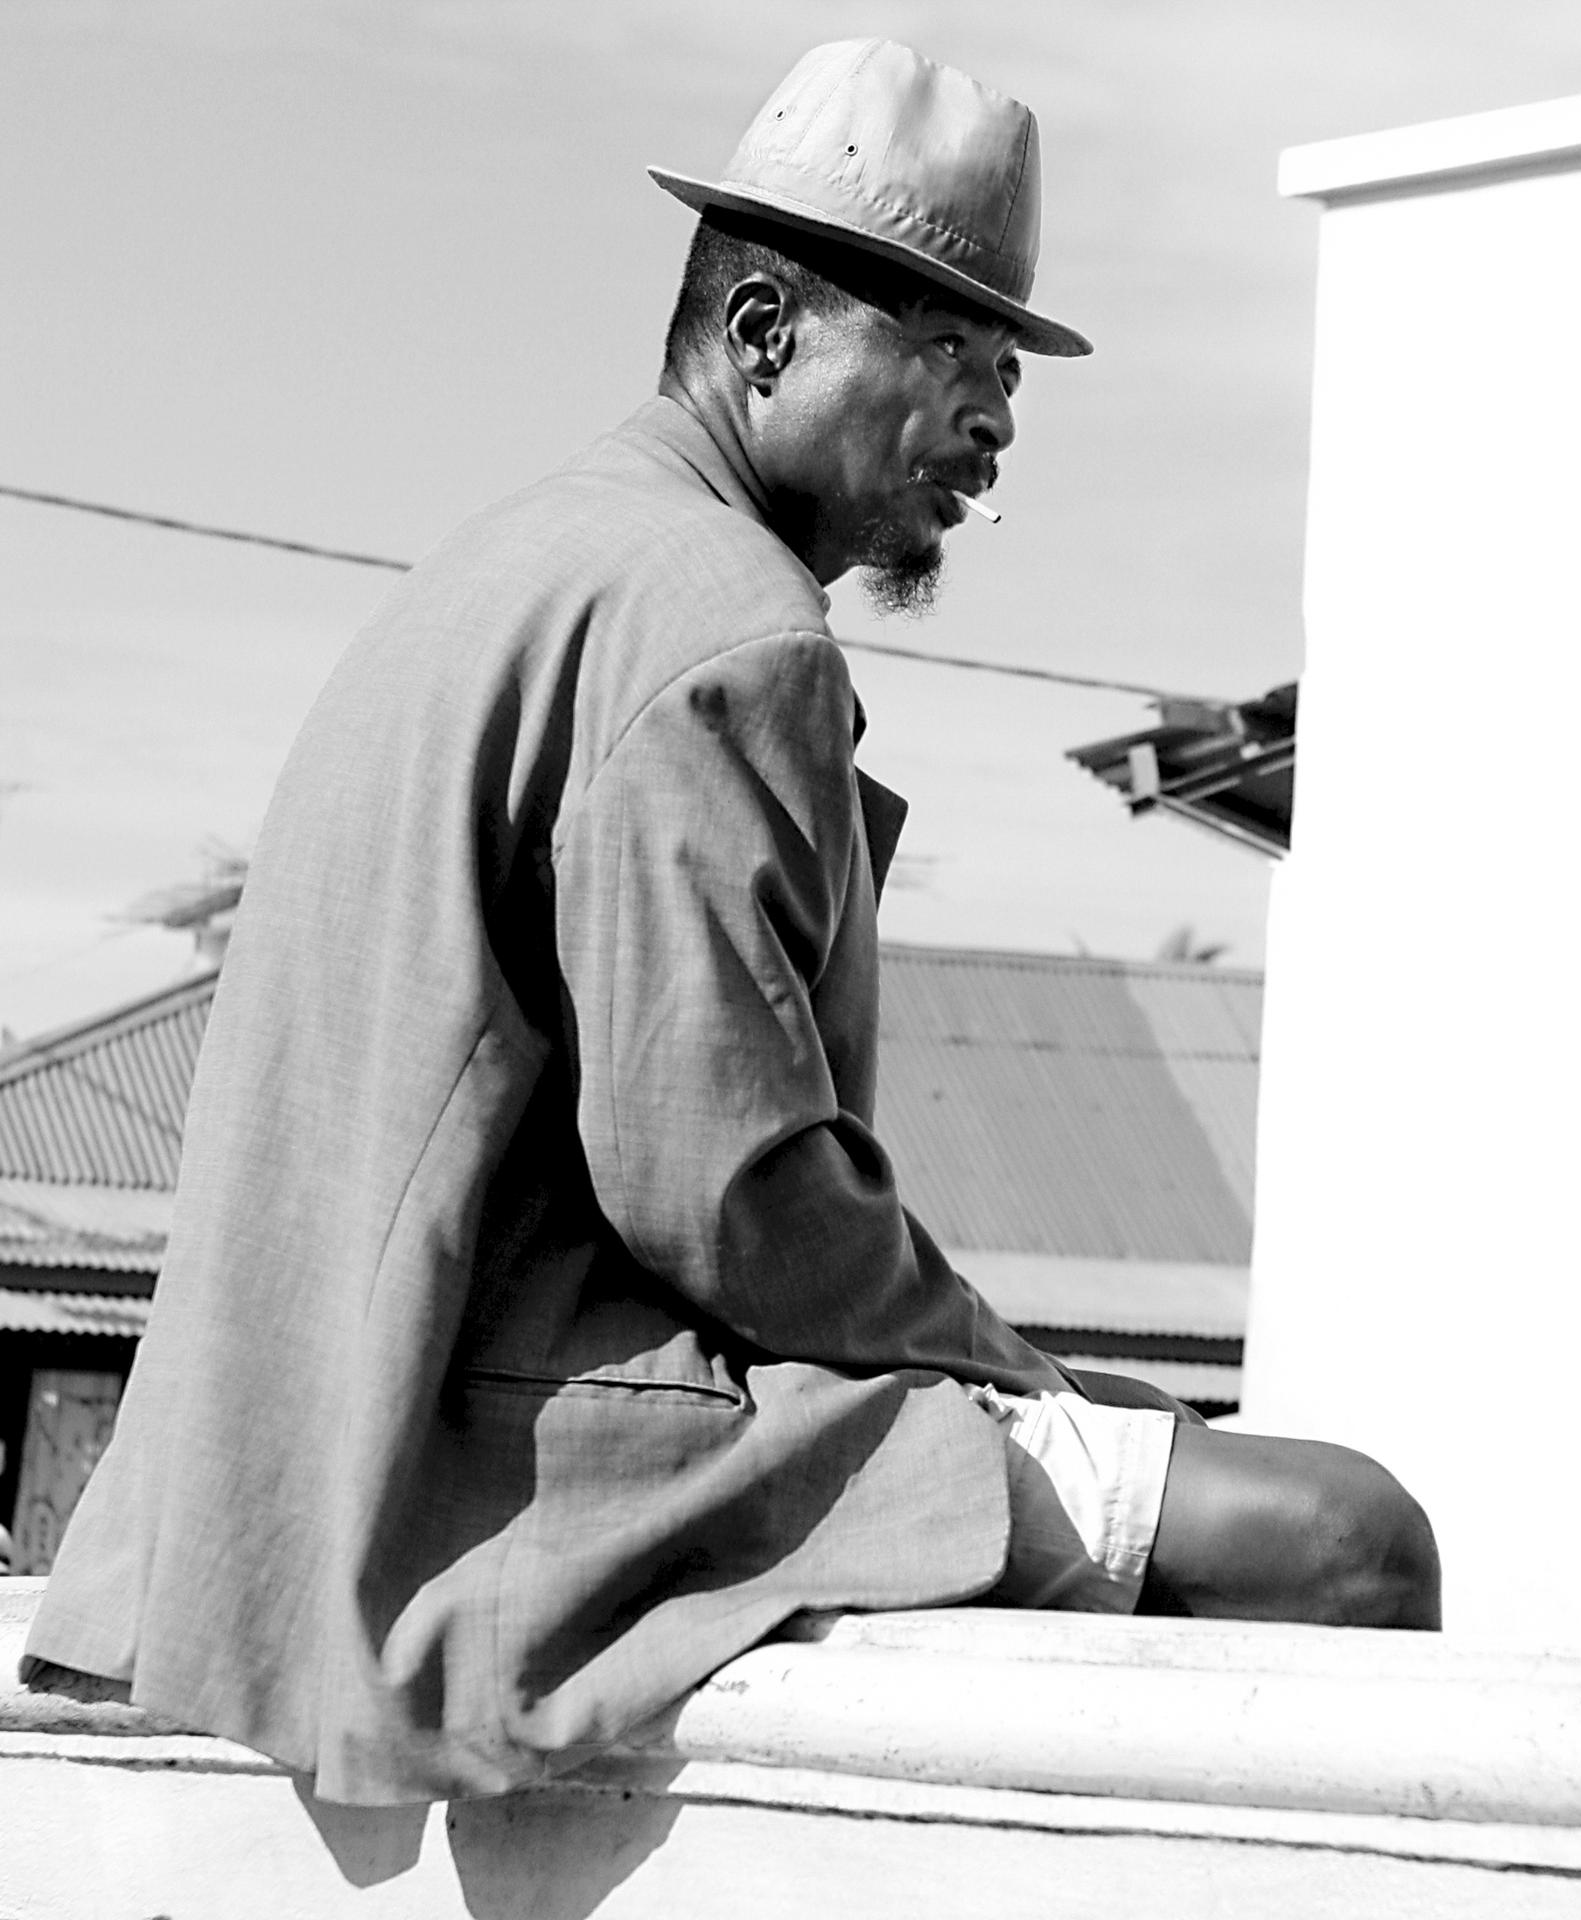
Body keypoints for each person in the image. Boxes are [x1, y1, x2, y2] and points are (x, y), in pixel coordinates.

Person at [21, 39, 1437, 1806]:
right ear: (764, 331)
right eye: (951, 352)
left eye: (1010, 374)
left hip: (288, 1469)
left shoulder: (527, 552)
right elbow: (724, 1189)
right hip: (488, 1470)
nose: (997, 421)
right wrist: (1019, 1379)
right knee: (1347, 1536)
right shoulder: (726, 621)